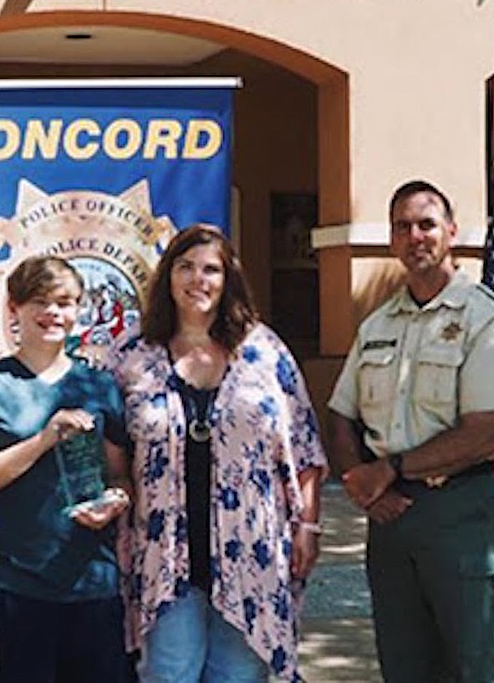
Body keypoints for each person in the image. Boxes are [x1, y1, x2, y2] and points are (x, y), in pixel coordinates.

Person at [105, 223, 328, 683]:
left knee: (238, 675)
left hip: (252, 553)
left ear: (228, 280)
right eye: (185, 267)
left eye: (211, 269)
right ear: (167, 276)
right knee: (170, 673)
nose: (197, 280)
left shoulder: (264, 351)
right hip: (165, 555)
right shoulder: (131, 354)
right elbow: (113, 449)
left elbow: (303, 446)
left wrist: (307, 525)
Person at [326, 180, 494, 682]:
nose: (415, 236)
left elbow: (484, 432)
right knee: (405, 667)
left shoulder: (487, 318)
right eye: (402, 226)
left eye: (426, 224)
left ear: (451, 232)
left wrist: (388, 470)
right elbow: (341, 415)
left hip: (458, 515)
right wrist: (361, 483)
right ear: (392, 240)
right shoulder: (376, 325)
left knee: (475, 667)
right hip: (390, 523)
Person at [0, 255, 132, 683]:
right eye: (40, 301)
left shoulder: (99, 384)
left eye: (65, 303)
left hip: (95, 582)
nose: (53, 313)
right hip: (22, 583)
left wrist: (116, 500)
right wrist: (43, 439)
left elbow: (121, 475)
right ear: (14, 308)